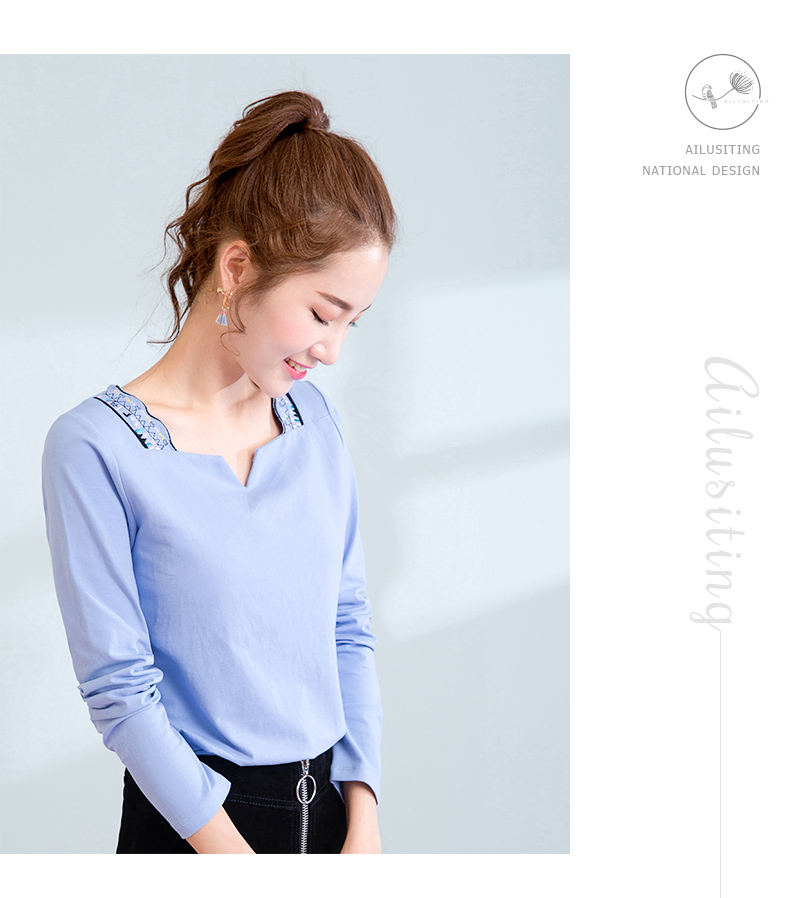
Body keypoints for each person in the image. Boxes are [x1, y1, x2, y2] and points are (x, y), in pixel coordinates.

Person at [40, 91, 395, 854]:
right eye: (323, 312)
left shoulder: (315, 425)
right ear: (238, 267)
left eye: (352, 323)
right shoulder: (96, 448)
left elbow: (348, 624)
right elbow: (120, 690)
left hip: (333, 820)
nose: (333, 350)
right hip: (194, 833)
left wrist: (363, 821)